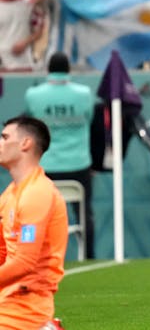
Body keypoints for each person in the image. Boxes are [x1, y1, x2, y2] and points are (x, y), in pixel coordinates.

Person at [24, 52, 95, 259]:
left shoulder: (33, 95)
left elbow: (30, 123)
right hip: (78, 164)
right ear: (68, 70)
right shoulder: (84, 94)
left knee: (37, 214)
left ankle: (35, 256)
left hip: (46, 165)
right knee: (84, 214)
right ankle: (89, 256)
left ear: (48, 70)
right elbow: (88, 119)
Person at [0, 116, 68, 330]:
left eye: (5, 137)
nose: (0, 142)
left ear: (25, 143)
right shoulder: (9, 195)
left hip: (26, 312)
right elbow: (2, 252)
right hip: (8, 304)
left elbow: (24, 262)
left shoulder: (38, 193)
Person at [0, 0, 68, 71]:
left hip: (24, 64)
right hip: (2, 65)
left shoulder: (26, 3)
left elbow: (39, 30)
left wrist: (26, 42)